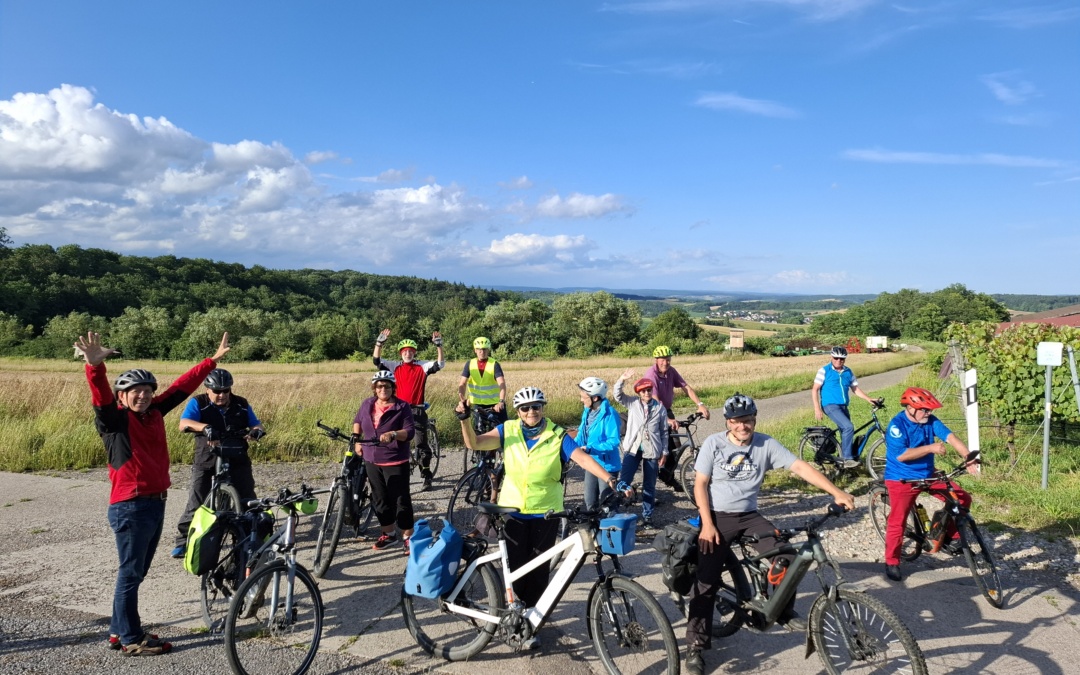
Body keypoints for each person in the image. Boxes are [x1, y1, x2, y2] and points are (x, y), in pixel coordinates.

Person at [75, 330, 230, 656]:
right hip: (131, 506)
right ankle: (131, 638)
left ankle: (119, 632)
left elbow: (180, 388)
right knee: (130, 574)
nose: (142, 396)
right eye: (134, 391)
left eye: (146, 390)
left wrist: (211, 362)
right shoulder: (114, 421)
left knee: (135, 572)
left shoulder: (154, 412)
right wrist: (95, 367)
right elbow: (101, 397)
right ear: (122, 397)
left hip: (155, 503)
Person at [685, 392, 854, 675]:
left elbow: (800, 467)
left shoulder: (766, 444)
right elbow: (700, 484)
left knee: (786, 556)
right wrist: (708, 523)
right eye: (737, 421)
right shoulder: (714, 444)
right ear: (728, 422)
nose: (743, 426)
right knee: (706, 583)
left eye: (748, 420)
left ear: (754, 420)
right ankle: (695, 646)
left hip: (750, 516)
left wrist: (836, 492)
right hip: (717, 516)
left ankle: (782, 610)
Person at [460, 386, 626, 647]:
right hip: (512, 512)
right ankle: (515, 617)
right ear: (518, 411)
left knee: (538, 571)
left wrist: (610, 479)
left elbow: (582, 458)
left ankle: (530, 623)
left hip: (545, 513)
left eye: (536, 406)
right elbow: (475, 442)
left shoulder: (557, 435)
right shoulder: (509, 430)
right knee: (515, 569)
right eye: (525, 408)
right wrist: (465, 420)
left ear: (542, 408)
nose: (531, 412)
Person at [882, 387, 977, 583]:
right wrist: (931, 448)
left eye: (930, 410)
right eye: (925, 409)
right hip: (902, 478)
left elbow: (951, 437)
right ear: (910, 408)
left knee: (962, 498)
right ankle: (891, 561)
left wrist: (967, 456)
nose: (929, 413)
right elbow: (903, 455)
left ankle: (950, 537)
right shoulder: (897, 425)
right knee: (897, 521)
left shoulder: (930, 421)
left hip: (928, 474)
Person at [170, 368, 264, 558]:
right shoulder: (199, 402)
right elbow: (184, 423)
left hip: (236, 455)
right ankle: (184, 541)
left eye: (226, 390)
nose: (221, 395)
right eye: (217, 391)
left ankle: (248, 537)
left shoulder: (241, 404)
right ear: (207, 389)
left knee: (246, 497)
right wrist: (205, 428)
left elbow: (256, 423)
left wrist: (256, 431)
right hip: (207, 457)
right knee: (197, 500)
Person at [372, 329, 445, 491]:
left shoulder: (422, 366)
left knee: (421, 444)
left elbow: (440, 364)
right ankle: (394, 472)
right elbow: (376, 361)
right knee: (393, 441)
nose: (408, 354)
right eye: (405, 352)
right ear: (401, 353)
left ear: (414, 353)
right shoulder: (394, 366)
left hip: (417, 410)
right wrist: (379, 343)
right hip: (398, 410)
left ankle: (426, 474)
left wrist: (439, 346)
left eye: (411, 351)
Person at [354, 370, 416, 553]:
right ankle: (389, 534)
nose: (383, 389)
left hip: (395, 459)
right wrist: (357, 439)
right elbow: (357, 420)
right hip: (372, 458)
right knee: (379, 498)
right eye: (380, 386)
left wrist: (394, 434)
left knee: (400, 500)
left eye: (387, 386)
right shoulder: (367, 404)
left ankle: (408, 536)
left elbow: (410, 431)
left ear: (393, 388)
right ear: (375, 388)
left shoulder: (401, 407)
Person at [613, 369, 668, 528]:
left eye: (649, 390)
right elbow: (617, 395)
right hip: (633, 447)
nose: (647, 393)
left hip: (652, 449)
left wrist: (664, 451)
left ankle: (647, 516)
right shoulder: (633, 403)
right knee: (624, 479)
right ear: (639, 392)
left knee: (649, 484)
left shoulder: (660, 408)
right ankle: (614, 510)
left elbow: (664, 431)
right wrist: (622, 379)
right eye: (643, 391)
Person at [811, 346, 882, 469]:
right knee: (848, 427)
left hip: (843, 406)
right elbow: (814, 389)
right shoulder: (824, 371)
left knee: (846, 431)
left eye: (842, 359)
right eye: (836, 358)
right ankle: (847, 459)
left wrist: (869, 399)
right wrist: (817, 409)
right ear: (831, 357)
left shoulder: (848, 372)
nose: (838, 361)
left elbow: (855, 388)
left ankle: (841, 465)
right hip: (830, 405)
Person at [575, 377, 622, 511]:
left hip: (607, 465)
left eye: (584, 397)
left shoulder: (610, 414)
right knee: (590, 501)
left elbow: (613, 442)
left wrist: (590, 449)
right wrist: (571, 448)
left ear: (595, 398)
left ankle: (611, 530)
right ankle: (593, 530)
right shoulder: (587, 411)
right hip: (592, 462)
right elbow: (582, 434)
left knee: (606, 503)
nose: (581, 400)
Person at [643, 345, 711, 431]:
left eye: (668, 360)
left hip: (666, 410)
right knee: (659, 443)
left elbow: (686, 388)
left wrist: (700, 405)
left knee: (676, 441)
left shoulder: (671, 371)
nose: (665, 363)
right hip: (653, 413)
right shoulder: (651, 375)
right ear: (656, 360)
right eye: (662, 360)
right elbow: (654, 400)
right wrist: (666, 419)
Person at [455, 336, 507, 426]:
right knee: (479, 433)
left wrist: (501, 401)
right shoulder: (470, 364)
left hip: (494, 404)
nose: (482, 352)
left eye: (484, 349)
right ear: (475, 350)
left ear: (488, 350)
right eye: (479, 349)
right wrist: (462, 397)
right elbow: (462, 383)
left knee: (504, 431)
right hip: (477, 405)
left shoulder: (494, 364)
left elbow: (502, 384)